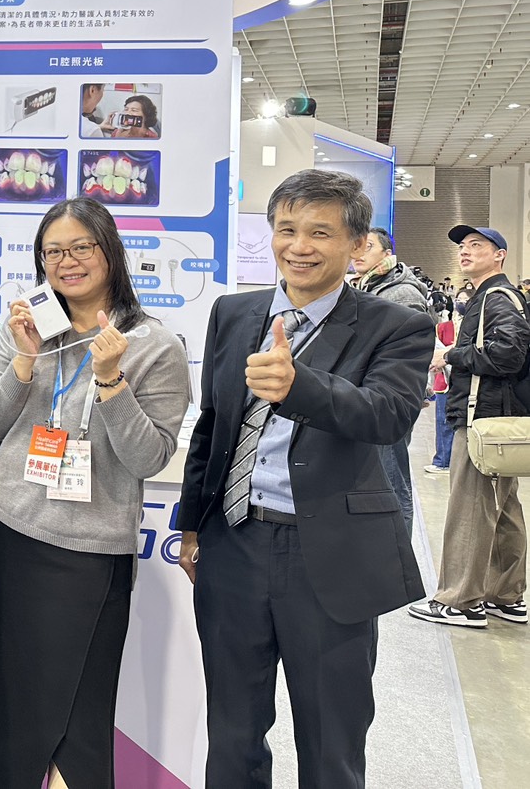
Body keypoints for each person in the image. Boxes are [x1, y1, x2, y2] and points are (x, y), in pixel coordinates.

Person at [178, 169, 432, 788]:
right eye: (286, 229)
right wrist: (192, 524)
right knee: (232, 732)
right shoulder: (233, 312)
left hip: (330, 555)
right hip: (235, 543)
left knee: (330, 739)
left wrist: (299, 387)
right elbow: (214, 424)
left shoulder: (395, 323)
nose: (299, 246)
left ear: (357, 243)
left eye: (320, 232)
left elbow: (388, 415)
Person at [0, 198, 187, 789]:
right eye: (53, 252)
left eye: (80, 248)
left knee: (82, 705)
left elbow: (148, 457)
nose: (66, 262)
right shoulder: (29, 328)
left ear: (109, 251)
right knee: (22, 694)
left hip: (92, 546)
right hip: (17, 529)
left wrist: (112, 380)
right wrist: (23, 359)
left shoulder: (153, 344)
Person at [409, 225, 530, 628]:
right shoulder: (493, 296)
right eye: (463, 246)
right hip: (496, 417)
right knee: (503, 508)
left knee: (471, 508)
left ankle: (460, 601)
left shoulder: (497, 298)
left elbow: (509, 355)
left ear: (499, 255)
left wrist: (452, 355)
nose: (465, 251)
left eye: (477, 245)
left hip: (483, 418)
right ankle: (505, 595)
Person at [349, 226, 432, 535]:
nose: (359, 252)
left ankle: (399, 551)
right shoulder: (366, 286)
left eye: (368, 246)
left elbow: (412, 354)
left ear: (387, 253)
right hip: (367, 397)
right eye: (356, 245)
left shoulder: (401, 293)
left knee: (392, 481)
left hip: (390, 400)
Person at [424, 310, 456, 474]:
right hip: (444, 380)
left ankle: (446, 461)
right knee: (443, 421)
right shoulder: (442, 328)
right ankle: (443, 460)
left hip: (464, 381)